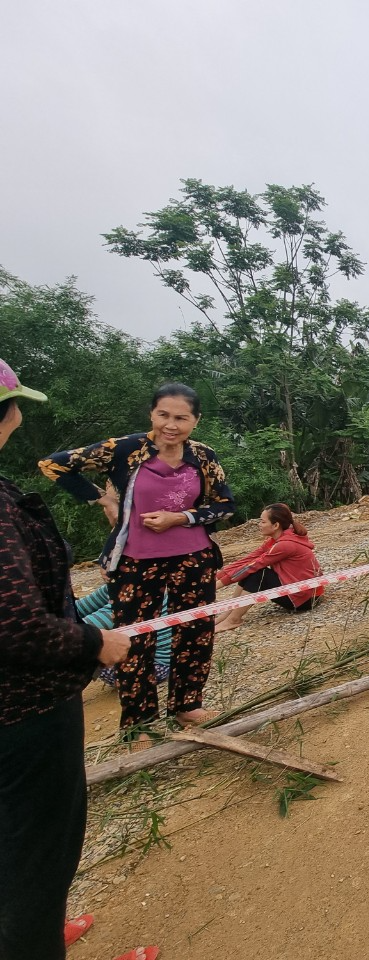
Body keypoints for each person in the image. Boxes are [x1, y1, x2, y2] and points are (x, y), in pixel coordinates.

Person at [0, 358, 158, 960]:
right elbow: (14, 624)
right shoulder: (122, 451)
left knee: (17, 843)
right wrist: (97, 643)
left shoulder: (195, 461)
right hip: (24, 711)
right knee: (39, 844)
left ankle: (29, 930)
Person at [40, 383, 235, 736]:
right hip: (134, 561)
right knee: (135, 639)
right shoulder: (125, 449)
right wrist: (104, 500)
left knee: (195, 631)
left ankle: (188, 706)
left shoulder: (203, 456)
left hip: (194, 559)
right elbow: (54, 465)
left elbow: (224, 505)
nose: (171, 425)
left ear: (196, 420)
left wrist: (180, 518)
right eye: (163, 415)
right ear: (151, 414)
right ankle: (139, 722)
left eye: (181, 418)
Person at [214, 503, 323, 633]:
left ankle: (233, 619)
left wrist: (216, 586)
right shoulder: (276, 540)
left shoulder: (285, 545)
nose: (259, 525)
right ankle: (228, 614)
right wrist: (215, 577)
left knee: (257, 573)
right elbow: (247, 560)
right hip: (300, 591)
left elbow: (252, 566)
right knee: (251, 570)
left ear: (276, 525)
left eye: (262, 521)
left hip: (306, 599)